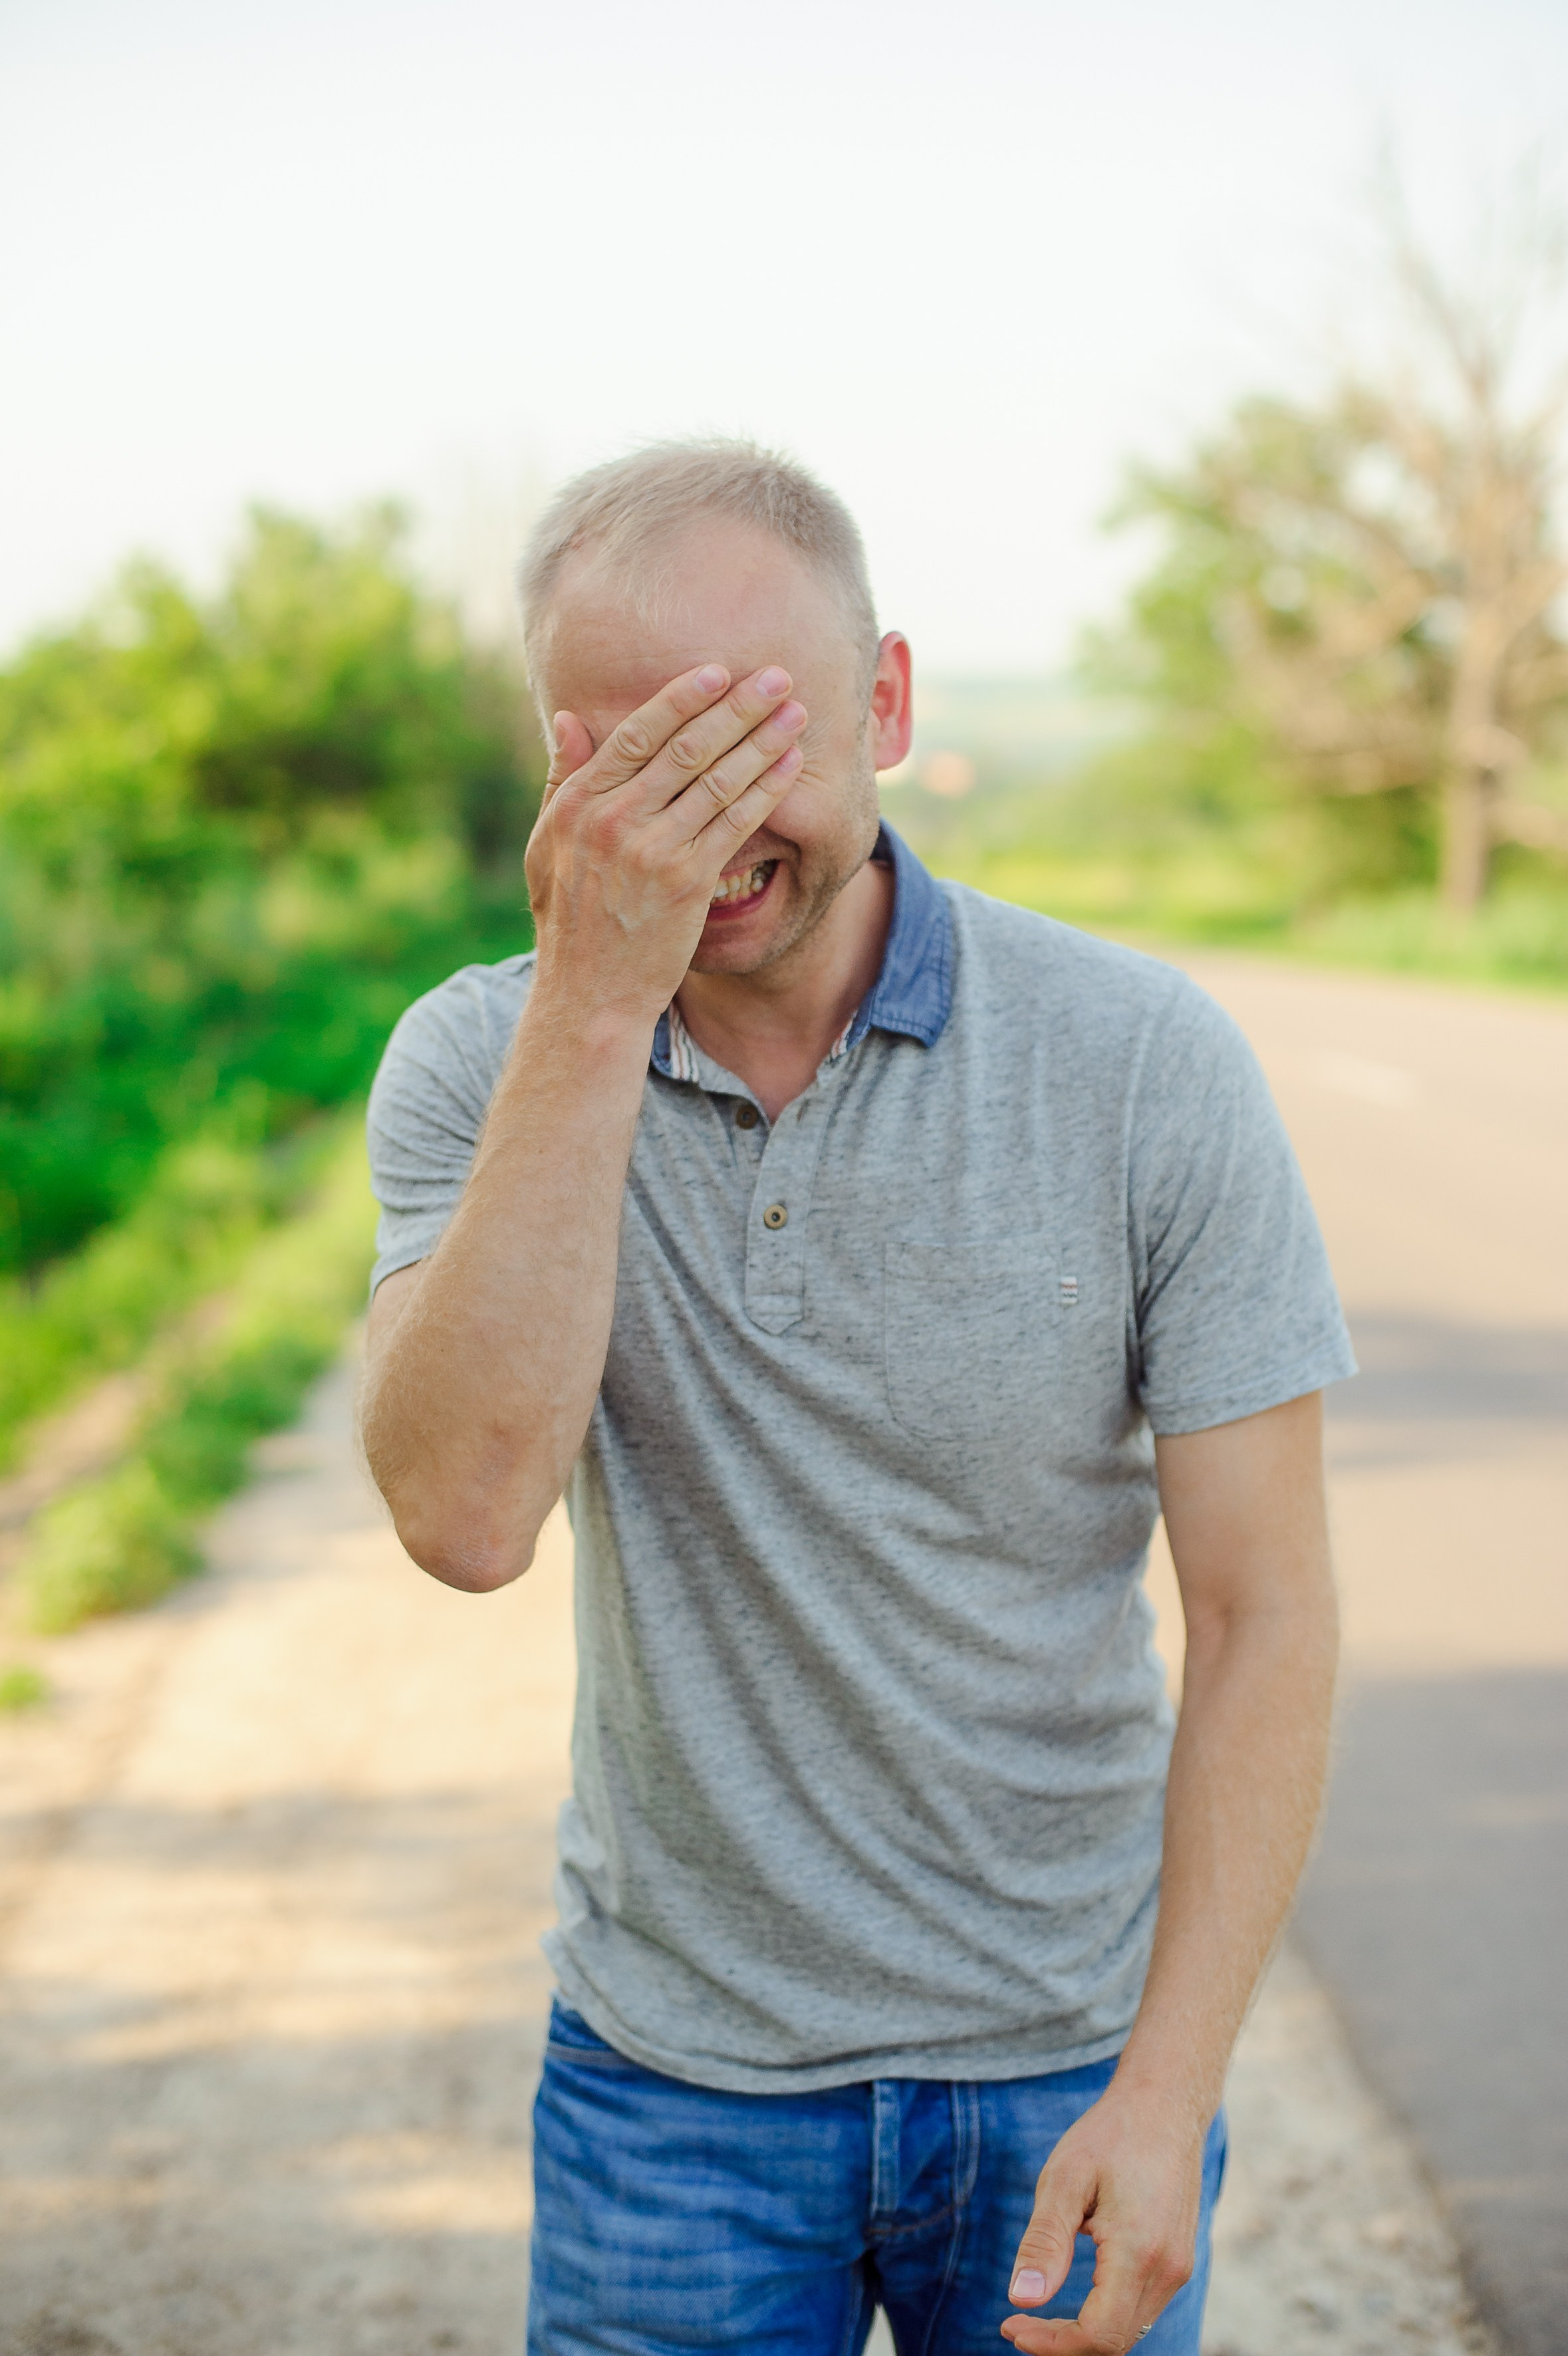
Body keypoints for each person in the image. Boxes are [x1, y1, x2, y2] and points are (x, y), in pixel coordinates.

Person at [360, 440, 1353, 2356]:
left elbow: (1267, 1614)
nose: (701, 827)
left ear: (885, 704)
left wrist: (1169, 2096)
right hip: (675, 2089)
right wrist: (591, 1005)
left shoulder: (1148, 1065)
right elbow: (466, 1521)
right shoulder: (480, 1060)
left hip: (1065, 2060)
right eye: (634, 763)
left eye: (751, 745)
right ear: (560, 769)